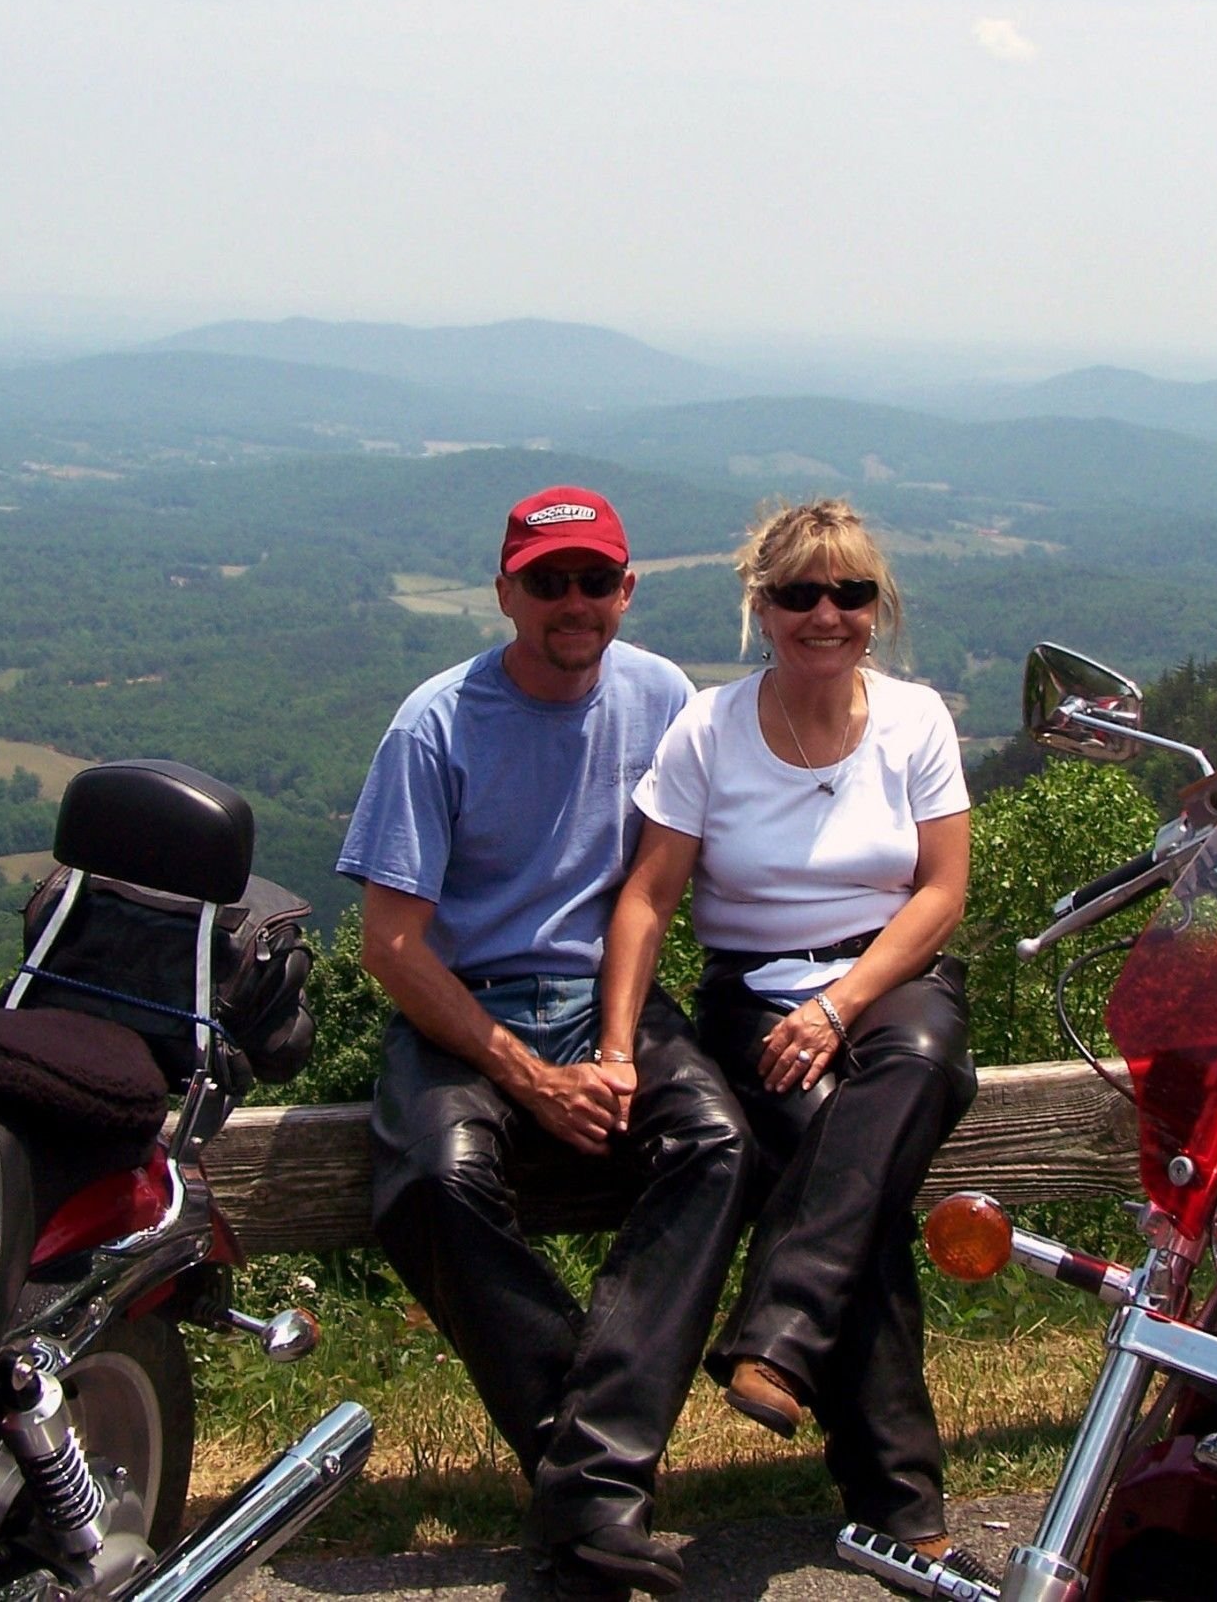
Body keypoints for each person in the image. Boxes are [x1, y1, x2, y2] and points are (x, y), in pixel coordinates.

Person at [339, 485, 751, 1600]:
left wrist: (613, 1054)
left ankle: (582, 1486)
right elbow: (390, 944)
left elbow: (658, 889)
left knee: (714, 1143)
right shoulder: (436, 722)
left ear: (628, 588)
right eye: (548, 582)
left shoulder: (662, 694)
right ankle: (602, 1482)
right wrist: (527, 1077)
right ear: (506, 591)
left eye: (595, 581)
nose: (573, 604)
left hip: (604, 999)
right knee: (434, 1178)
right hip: (464, 1004)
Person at [596, 497, 982, 1578]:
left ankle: (777, 1338)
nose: (827, 613)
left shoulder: (916, 720)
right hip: (751, 990)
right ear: (761, 607)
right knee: (840, 1165)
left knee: (898, 1074)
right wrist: (619, 1044)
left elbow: (941, 893)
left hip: (890, 978)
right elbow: (647, 898)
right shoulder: (707, 732)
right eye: (801, 593)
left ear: (877, 607)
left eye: (851, 592)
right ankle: (901, 1510)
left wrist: (842, 1004)